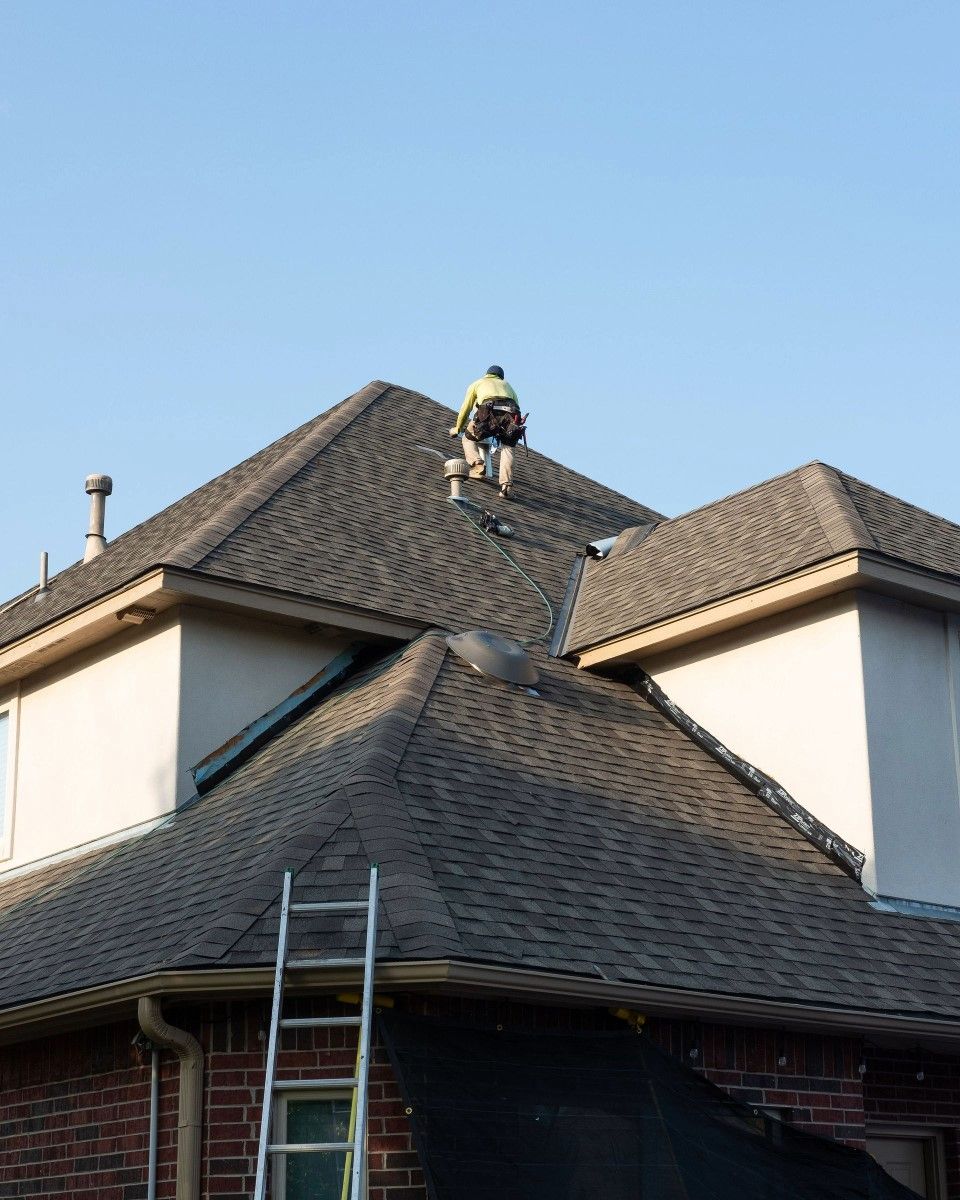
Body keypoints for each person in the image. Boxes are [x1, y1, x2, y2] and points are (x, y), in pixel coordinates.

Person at [449, 365, 523, 500]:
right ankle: (506, 486)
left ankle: (477, 465)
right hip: (511, 414)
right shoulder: (508, 386)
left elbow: (466, 408)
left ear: (487, 374)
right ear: (501, 377)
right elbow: (517, 407)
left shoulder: (478, 383)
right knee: (508, 447)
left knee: (468, 437)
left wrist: (457, 428)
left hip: (489, 411)